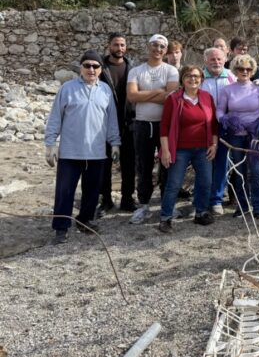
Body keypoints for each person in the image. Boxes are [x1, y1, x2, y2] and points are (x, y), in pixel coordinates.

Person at [44, 50, 120, 244]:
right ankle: (61, 228)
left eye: (95, 66)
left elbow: (111, 120)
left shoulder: (105, 91)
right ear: (81, 67)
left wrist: (115, 143)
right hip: (70, 152)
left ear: (101, 69)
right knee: (64, 191)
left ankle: (85, 220)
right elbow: (55, 118)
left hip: (96, 153)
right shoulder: (67, 89)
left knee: (92, 191)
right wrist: (50, 144)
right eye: (87, 65)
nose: (91, 69)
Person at [126, 34, 180, 224]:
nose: (158, 49)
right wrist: (158, 91)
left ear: (166, 51)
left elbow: (171, 97)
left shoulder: (171, 70)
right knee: (144, 165)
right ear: (148, 47)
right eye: (155, 45)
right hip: (142, 124)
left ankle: (168, 203)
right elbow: (132, 97)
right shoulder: (136, 71)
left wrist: (145, 94)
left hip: (165, 124)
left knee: (167, 164)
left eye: (162, 47)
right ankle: (144, 205)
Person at [158, 65, 218, 232]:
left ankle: (201, 213)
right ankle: (165, 218)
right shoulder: (174, 99)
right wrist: (166, 150)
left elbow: (214, 125)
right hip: (180, 149)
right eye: (188, 76)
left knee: (205, 182)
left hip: (203, 148)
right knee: (174, 184)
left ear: (202, 79)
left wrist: (214, 144)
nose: (193, 79)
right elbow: (164, 126)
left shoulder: (207, 97)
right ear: (182, 79)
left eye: (196, 76)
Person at [217, 54, 259, 218]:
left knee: (255, 171)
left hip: (255, 135)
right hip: (235, 135)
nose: (245, 71)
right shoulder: (227, 90)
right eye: (241, 69)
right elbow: (219, 109)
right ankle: (242, 206)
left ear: (252, 70)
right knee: (239, 172)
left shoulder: (258, 89)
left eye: (248, 69)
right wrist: (224, 119)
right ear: (235, 70)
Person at [96, 32, 136, 215]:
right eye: (115, 45)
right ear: (109, 46)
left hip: (128, 123)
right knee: (104, 164)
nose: (119, 48)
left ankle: (127, 199)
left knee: (129, 164)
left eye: (122, 45)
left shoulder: (132, 68)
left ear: (126, 47)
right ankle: (106, 200)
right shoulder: (99, 68)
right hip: (104, 124)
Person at [201, 47, 236, 215]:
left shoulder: (231, 76)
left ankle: (216, 200)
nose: (216, 62)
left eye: (219, 59)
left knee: (222, 163)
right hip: (202, 125)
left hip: (224, 125)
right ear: (205, 61)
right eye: (212, 59)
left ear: (225, 59)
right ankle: (202, 199)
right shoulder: (199, 77)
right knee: (203, 163)